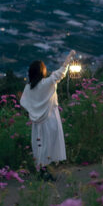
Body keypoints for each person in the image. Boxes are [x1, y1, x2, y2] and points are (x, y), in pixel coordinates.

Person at [19, 50, 75, 181]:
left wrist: (34, 110)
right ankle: (46, 172)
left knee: (40, 145)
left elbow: (24, 102)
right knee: (49, 144)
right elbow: (60, 73)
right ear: (42, 71)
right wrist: (69, 57)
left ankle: (42, 170)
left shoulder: (29, 88)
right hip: (50, 119)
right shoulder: (46, 83)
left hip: (37, 122)